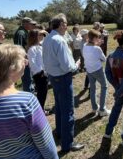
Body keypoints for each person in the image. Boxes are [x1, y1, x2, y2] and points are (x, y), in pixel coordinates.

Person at [42, 13, 84, 153]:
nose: (67, 25)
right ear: (60, 25)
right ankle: (68, 144)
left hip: (54, 78)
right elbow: (67, 67)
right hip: (63, 77)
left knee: (60, 107)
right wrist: (77, 65)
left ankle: (60, 132)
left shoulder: (48, 38)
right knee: (68, 111)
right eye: (65, 23)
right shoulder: (59, 40)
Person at [83, 29, 110, 116]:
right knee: (104, 86)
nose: (99, 39)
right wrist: (98, 46)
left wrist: (97, 44)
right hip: (97, 70)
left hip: (89, 70)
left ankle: (94, 108)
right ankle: (102, 110)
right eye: (98, 38)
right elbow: (104, 59)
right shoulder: (97, 48)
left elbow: (90, 52)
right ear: (94, 38)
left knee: (93, 89)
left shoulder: (84, 45)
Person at [27, 29, 49, 112]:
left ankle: (41, 108)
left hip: (44, 73)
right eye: (39, 35)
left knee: (44, 93)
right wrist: (41, 72)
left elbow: (47, 40)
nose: (42, 36)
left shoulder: (40, 46)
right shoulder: (32, 49)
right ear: (34, 37)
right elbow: (32, 64)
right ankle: (40, 111)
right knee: (41, 93)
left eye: (42, 35)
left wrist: (46, 33)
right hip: (40, 75)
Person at [13, 17, 36, 92]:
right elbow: (19, 47)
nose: (32, 25)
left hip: (27, 58)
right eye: (30, 24)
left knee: (29, 78)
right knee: (27, 79)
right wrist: (25, 58)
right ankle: (29, 95)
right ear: (25, 23)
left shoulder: (25, 31)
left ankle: (30, 92)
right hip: (24, 59)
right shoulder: (21, 33)